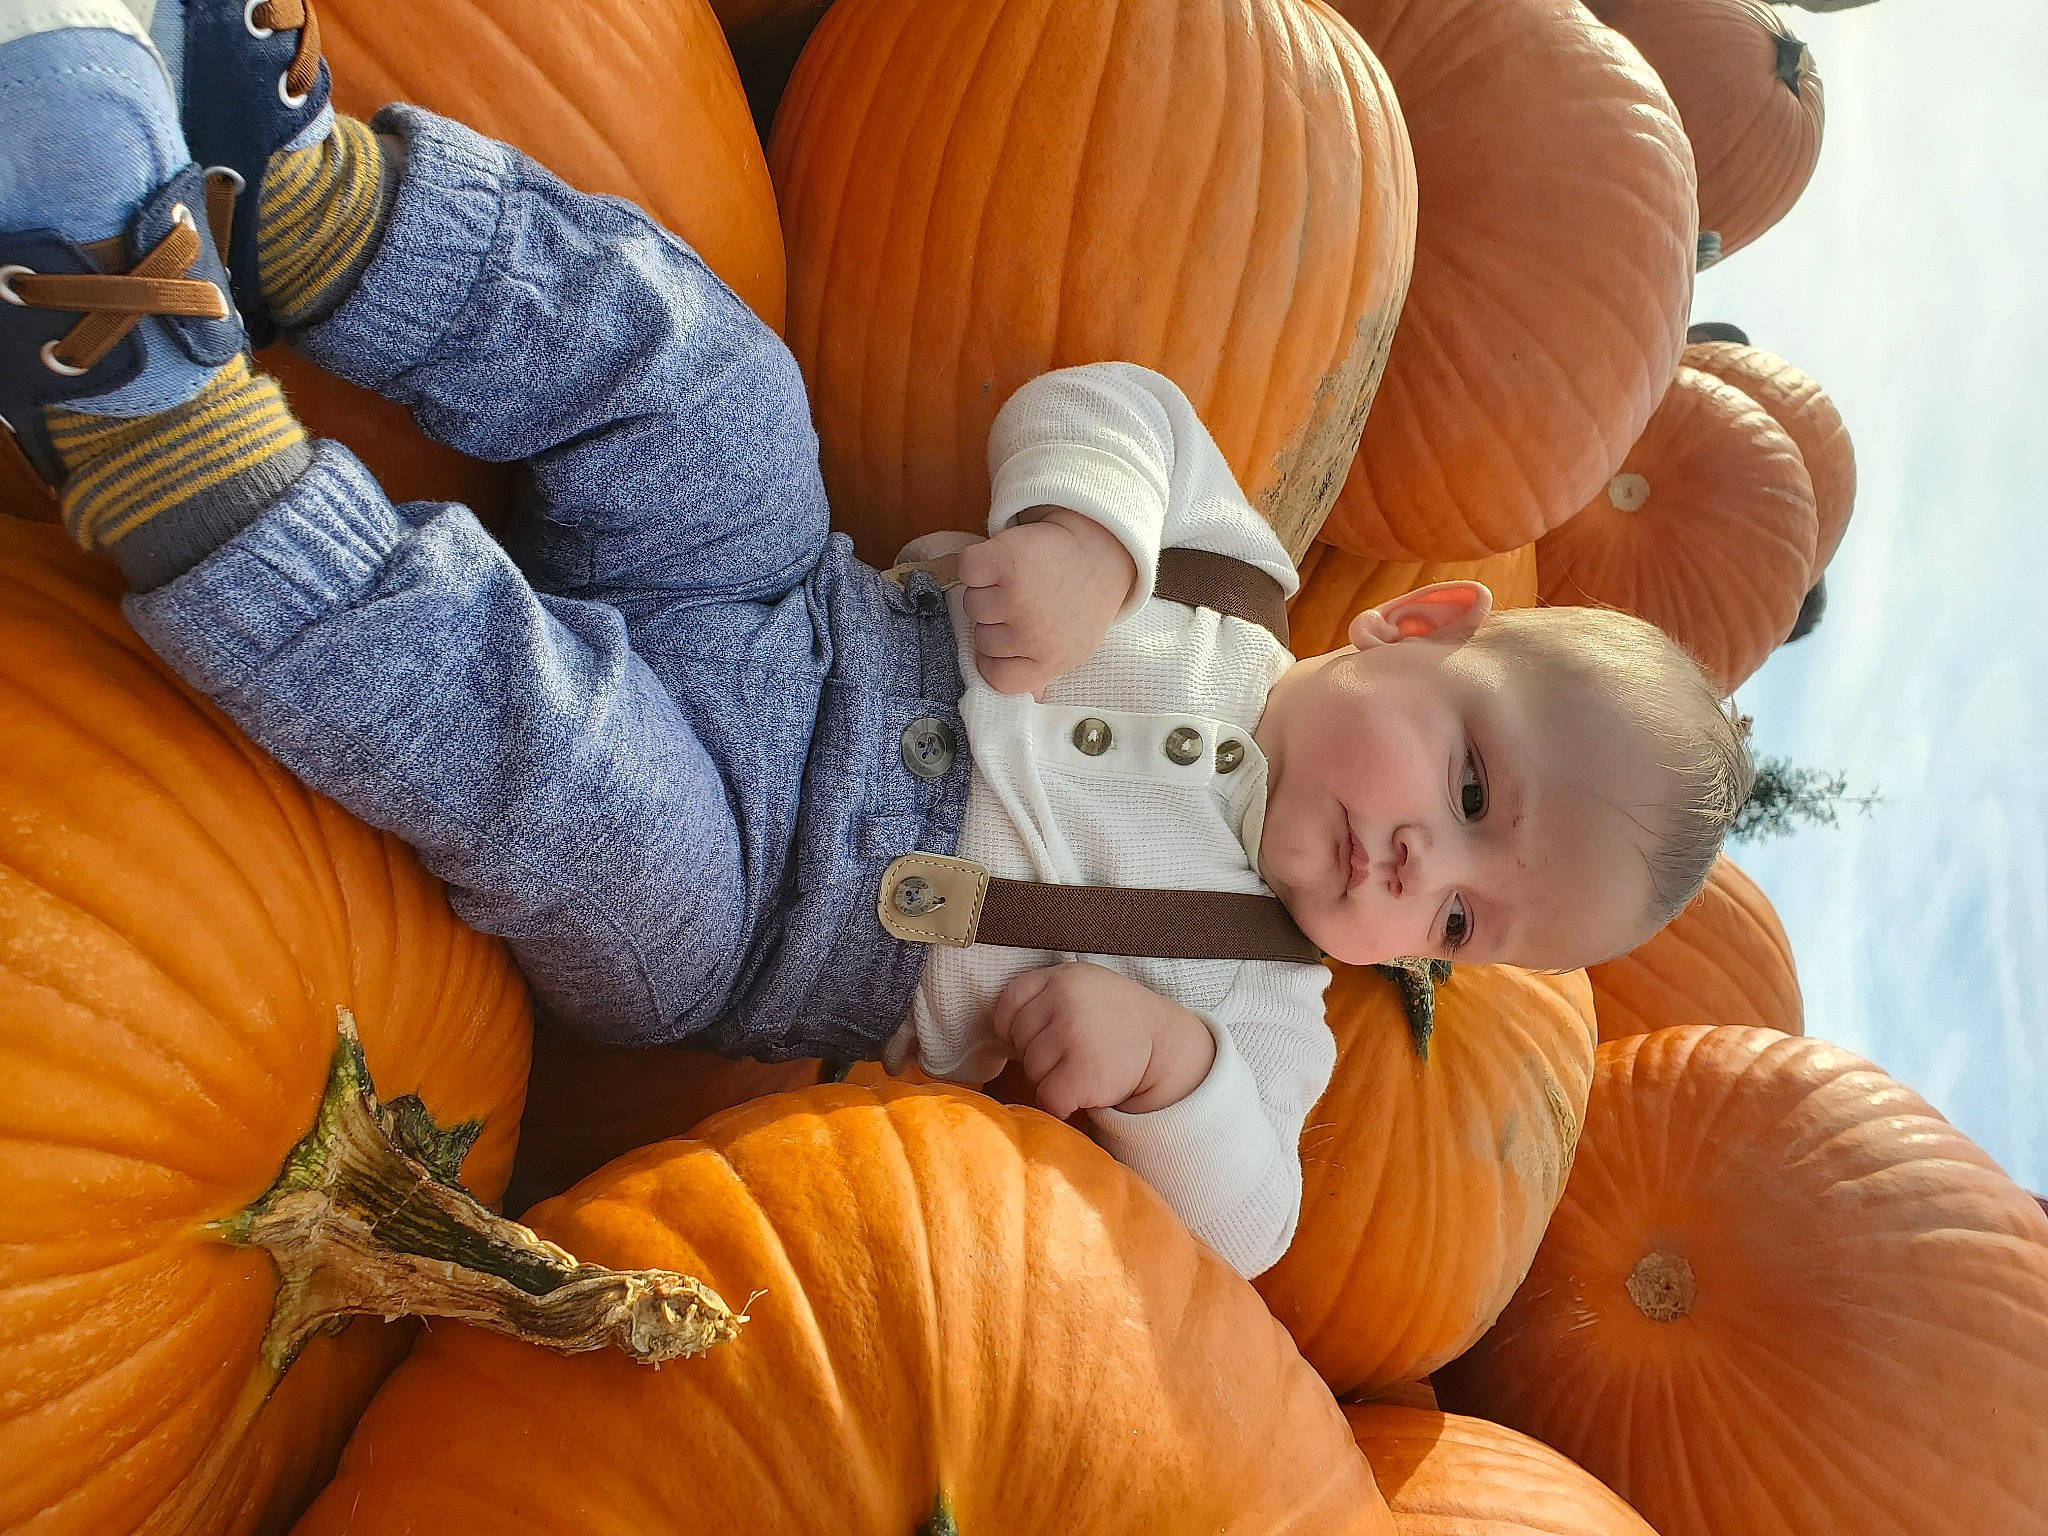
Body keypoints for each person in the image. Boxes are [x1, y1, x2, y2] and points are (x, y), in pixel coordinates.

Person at [0, 0, 1751, 1277]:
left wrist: (1166, 1067)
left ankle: (192, 474)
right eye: (1464, 783)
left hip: (741, 899)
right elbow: (1122, 405)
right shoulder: (1229, 579)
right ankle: (323, 211)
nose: (1406, 864)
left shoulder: (1268, 1003)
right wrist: (1081, 537)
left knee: (556, 767)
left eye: (1456, 920)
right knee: (714, 381)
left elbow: (1257, 1229)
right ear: (1424, 618)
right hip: (778, 594)